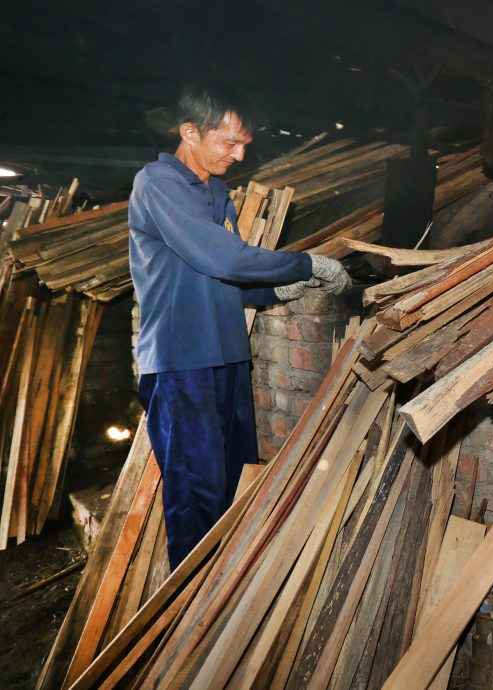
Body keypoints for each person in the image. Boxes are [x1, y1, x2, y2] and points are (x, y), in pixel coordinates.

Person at [128, 84, 350, 568]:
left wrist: (276, 291)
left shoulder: (217, 192)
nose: (239, 152)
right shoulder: (159, 183)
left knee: (229, 480)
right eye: (229, 142)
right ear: (190, 132)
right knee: (196, 491)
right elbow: (219, 255)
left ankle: (218, 599)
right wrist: (303, 264)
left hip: (227, 356)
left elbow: (224, 279)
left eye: (245, 143)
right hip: (181, 362)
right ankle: (186, 616)